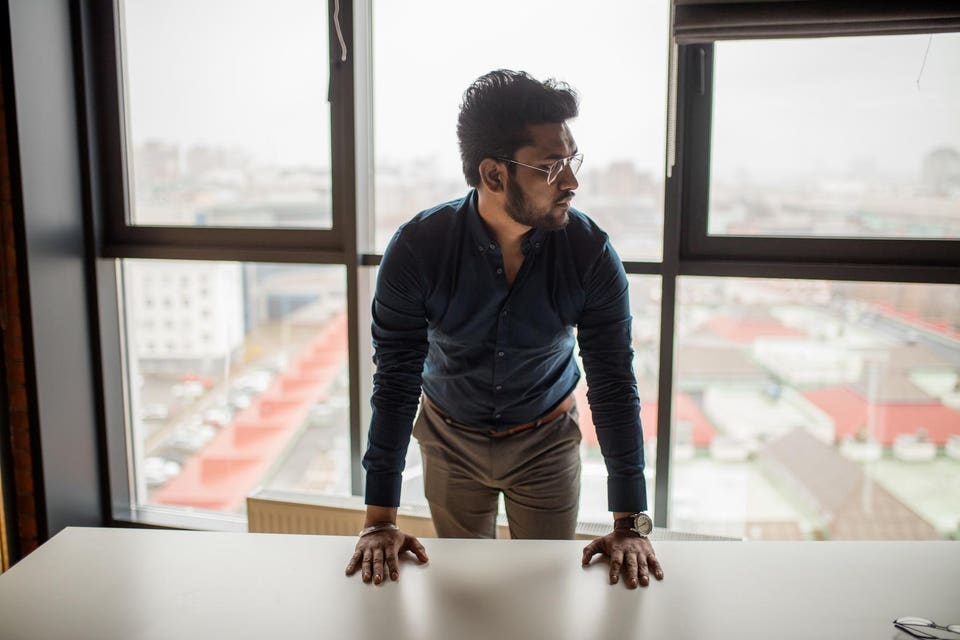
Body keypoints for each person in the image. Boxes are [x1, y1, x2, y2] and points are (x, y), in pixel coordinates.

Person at [345, 69, 663, 590]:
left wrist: (631, 523)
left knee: (544, 590)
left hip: (546, 441)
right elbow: (396, 380)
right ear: (493, 175)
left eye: (572, 160)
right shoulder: (417, 249)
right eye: (551, 166)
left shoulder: (589, 252)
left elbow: (613, 382)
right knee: (464, 591)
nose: (571, 182)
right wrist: (379, 519)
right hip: (449, 438)